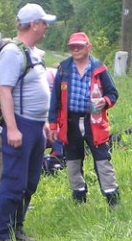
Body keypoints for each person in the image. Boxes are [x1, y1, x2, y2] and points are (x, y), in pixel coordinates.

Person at [0, 2, 55, 241]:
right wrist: (12, 128)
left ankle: (17, 228)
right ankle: (2, 237)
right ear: (33, 25)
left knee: (30, 181)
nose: (46, 27)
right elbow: (4, 92)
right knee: (14, 181)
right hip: (20, 125)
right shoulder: (13, 52)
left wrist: (46, 122)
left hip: (36, 126)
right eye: (43, 23)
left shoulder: (31, 52)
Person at [48, 32, 120, 205]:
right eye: (72, 46)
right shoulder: (63, 68)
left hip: (94, 122)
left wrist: (105, 101)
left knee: (102, 159)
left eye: (79, 46)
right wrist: (52, 124)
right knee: (72, 160)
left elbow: (113, 93)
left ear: (88, 47)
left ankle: (112, 199)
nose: (76, 49)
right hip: (69, 122)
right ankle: (79, 197)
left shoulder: (99, 68)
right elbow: (55, 99)